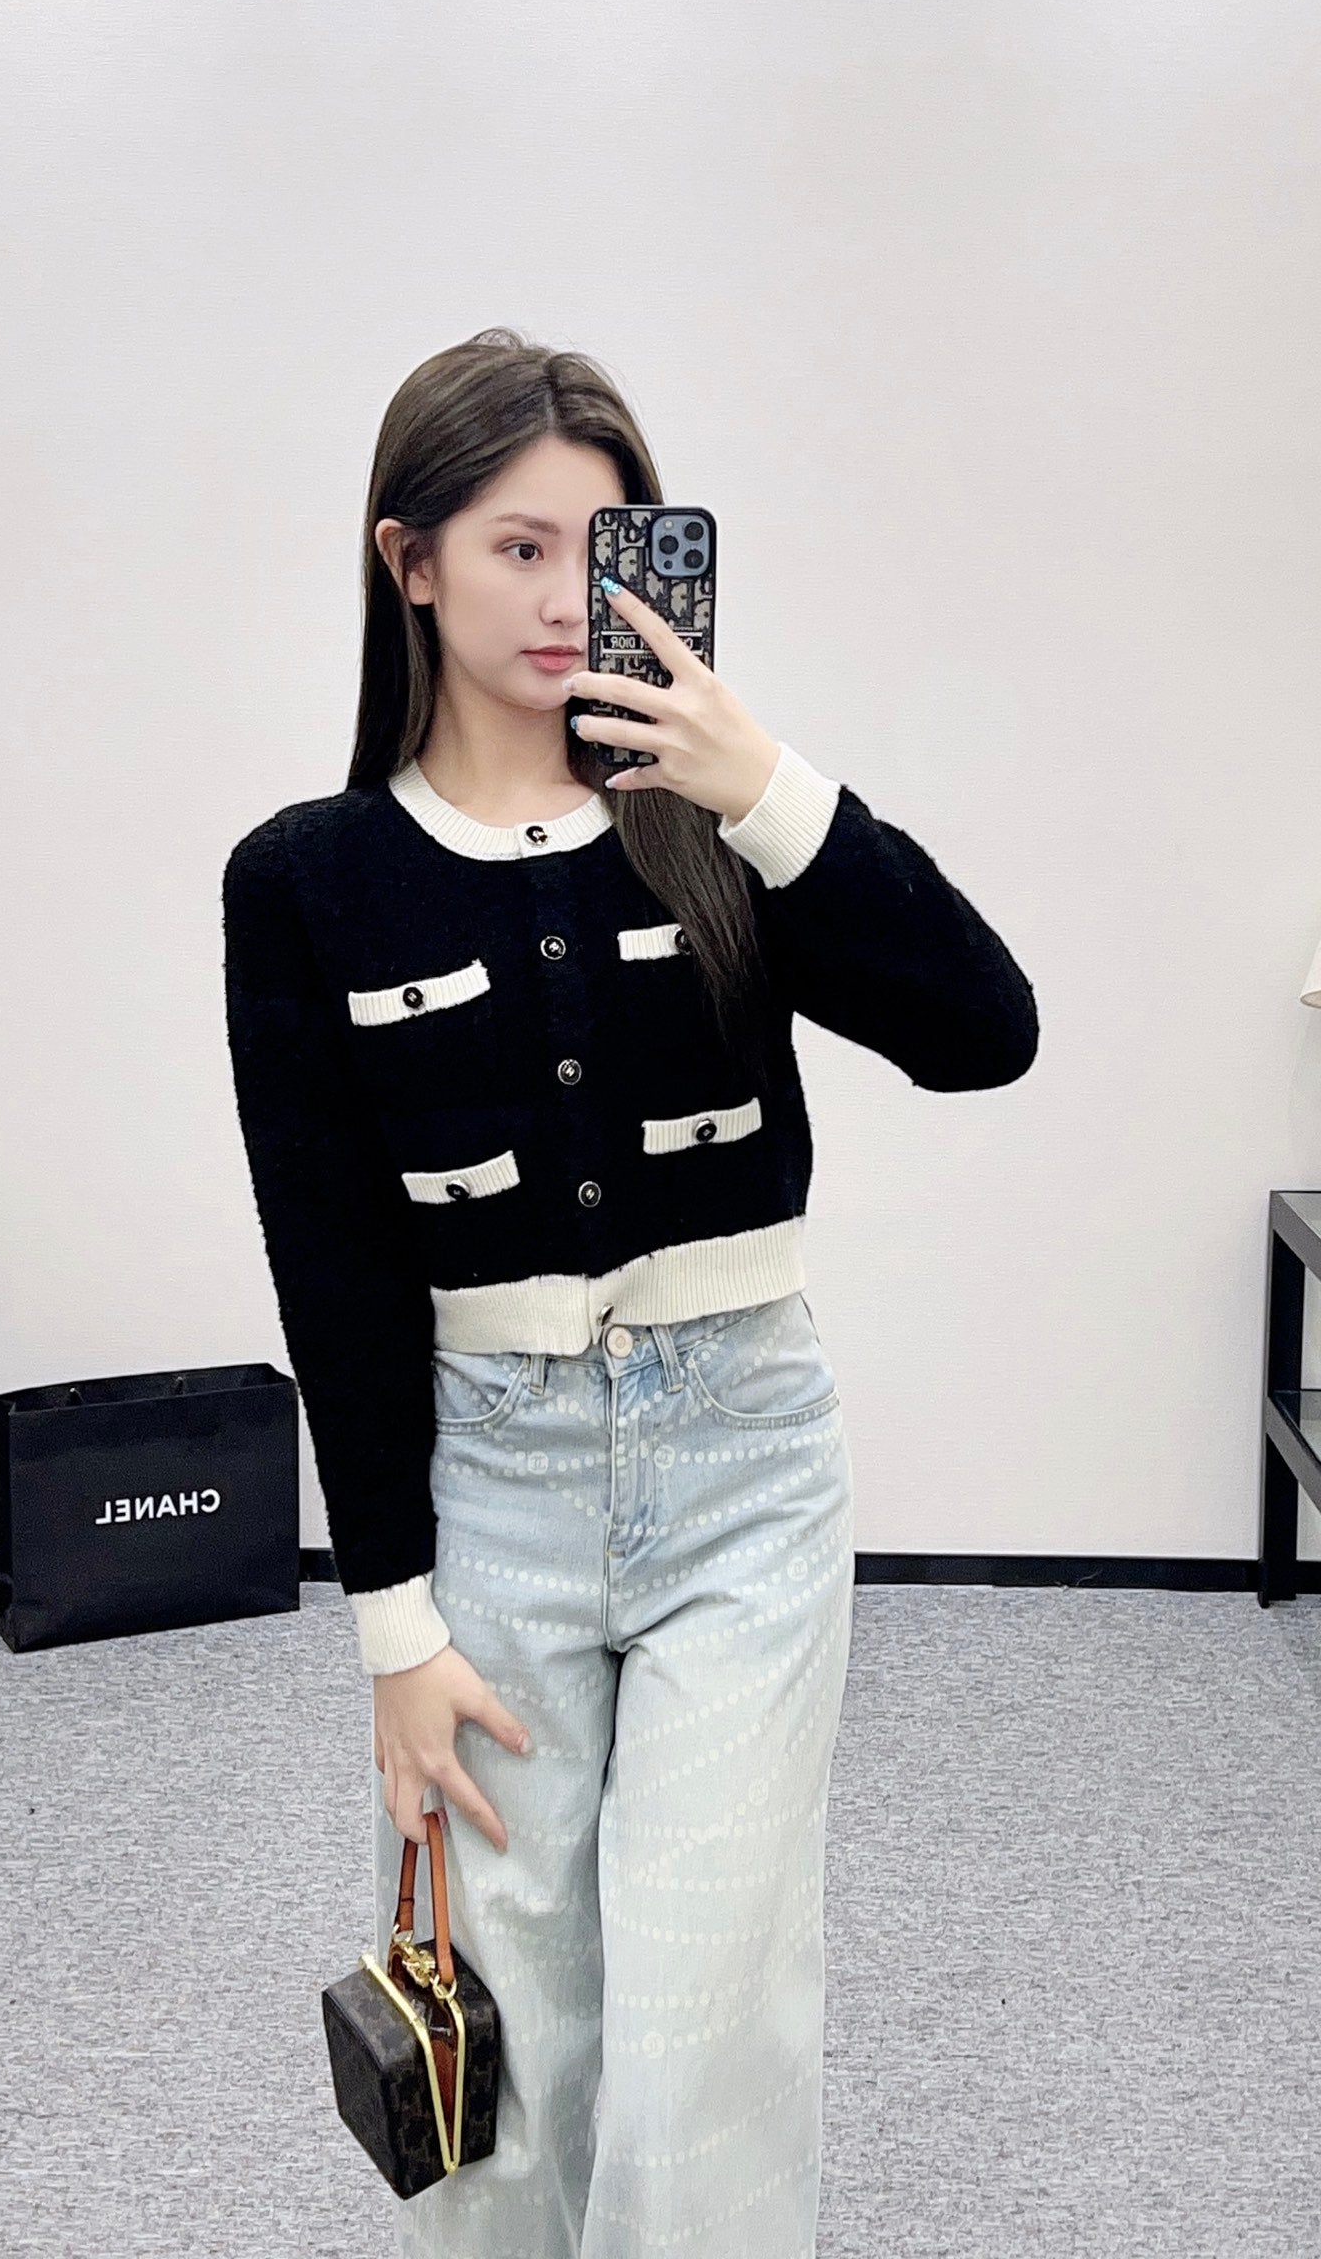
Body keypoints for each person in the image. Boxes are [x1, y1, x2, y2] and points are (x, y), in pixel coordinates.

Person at [221, 326, 1038, 2255]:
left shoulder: (716, 825)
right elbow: (334, 1269)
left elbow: (985, 1030)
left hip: (745, 1460)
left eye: (595, 552)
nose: (557, 598)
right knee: (514, 2039)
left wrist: (771, 787)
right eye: (513, 548)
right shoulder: (307, 881)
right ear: (408, 561)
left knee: (702, 2024)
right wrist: (391, 1629)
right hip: (487, 1480)